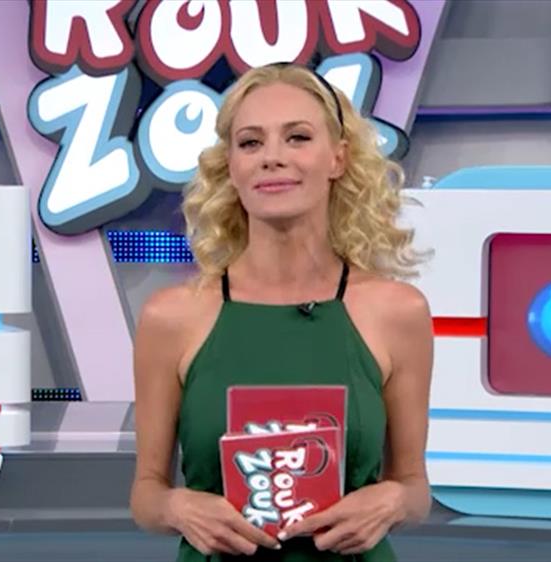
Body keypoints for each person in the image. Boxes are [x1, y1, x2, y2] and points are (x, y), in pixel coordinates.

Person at [129, 62, 434, 561]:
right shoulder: (172, 317)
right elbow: (146, 494)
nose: (272, 157)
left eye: (297, 137)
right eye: (251, 142)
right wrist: (177, 507)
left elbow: (415, 487)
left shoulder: (398, 312)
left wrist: (394, 500)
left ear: (337, 158)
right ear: (231, 166)